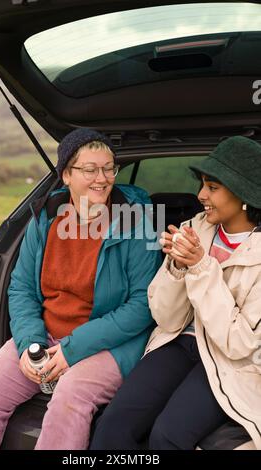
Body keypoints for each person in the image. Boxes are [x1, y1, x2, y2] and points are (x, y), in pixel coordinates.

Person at [0, 128, 160, 450]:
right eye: (89, 169)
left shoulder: (137, 221)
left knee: (71, 396)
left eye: (109, 168)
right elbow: (21, 288)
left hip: (111, 344)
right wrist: (30, 343)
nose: (102, 178)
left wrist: (72, 349)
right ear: (66, 175)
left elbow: (142, 304)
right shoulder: (45, 216)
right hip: (45, 335)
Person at [90, 135, 261, 450]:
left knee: (167, 435)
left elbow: (239, 344)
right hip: (180, 342)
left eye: (212, 187)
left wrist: (199, 267)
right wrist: (177, 269)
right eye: (203, 185)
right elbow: (167, 319)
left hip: (231, 362)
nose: (200, 195)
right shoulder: (195, 228)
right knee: (113, 425)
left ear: (243, 193)